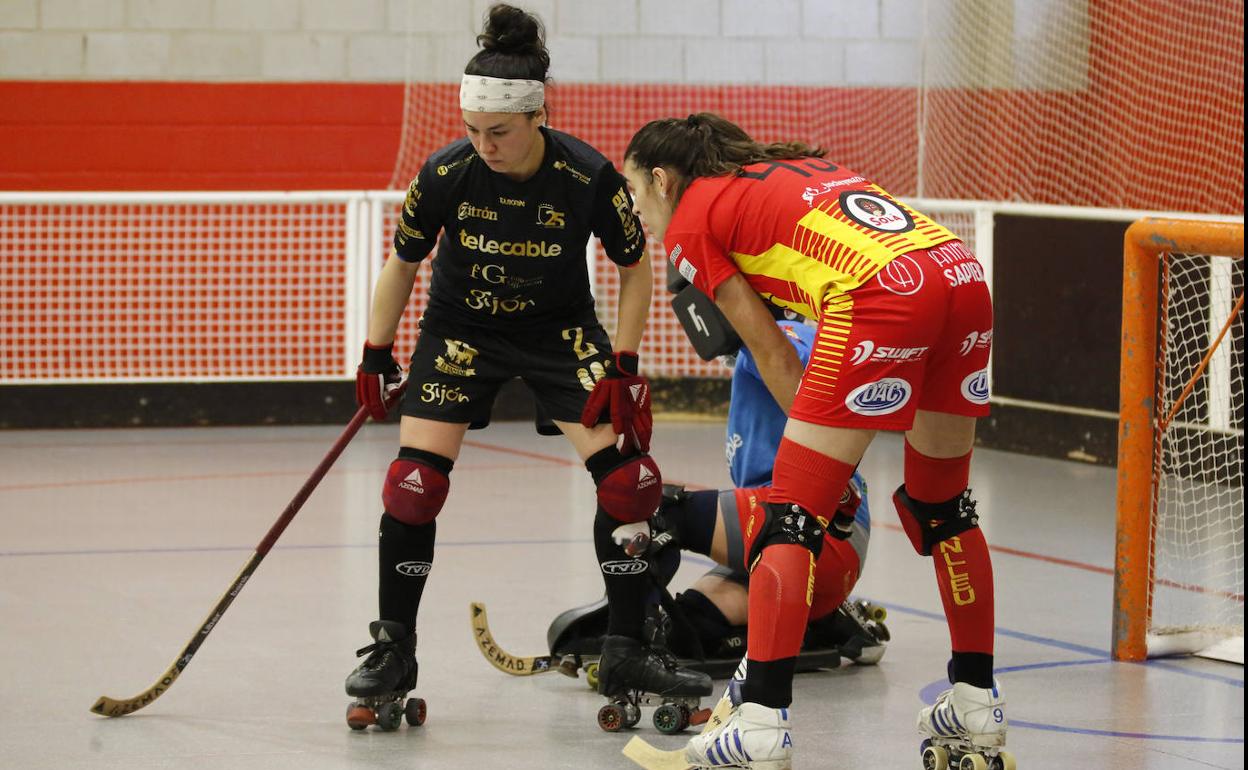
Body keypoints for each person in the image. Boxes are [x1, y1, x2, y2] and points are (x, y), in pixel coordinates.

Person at [342, 4, 710, 730]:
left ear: (538, 115)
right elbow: (402, 263)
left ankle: (629, 645)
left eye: (499, 132)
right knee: (413, 487)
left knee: (630, 485)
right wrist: (375, 353)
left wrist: (625, 365)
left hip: (558, 333)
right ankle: (395, 650)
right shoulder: (447, 172)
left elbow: (636, 269)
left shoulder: (588, 175)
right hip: (462, 331)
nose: (484, 146)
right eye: (473, 131)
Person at [622, 114, 1007, 769]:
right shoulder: (795, 168)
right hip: (961, 277)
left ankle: (760, 721)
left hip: (882, 296)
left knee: (788, 515)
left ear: (661, 179)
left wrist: (818, 476)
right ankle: (975, 698)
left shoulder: (690, 223)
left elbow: (767, 347)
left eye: (634, 193)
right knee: (943, 508)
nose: (637, 212)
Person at [547, 317, 887, 670]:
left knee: (655, 508)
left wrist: (758, 337)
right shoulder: (761, 345)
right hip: (799, 545)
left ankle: (627, 631)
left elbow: (802, 364)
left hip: (816, 530)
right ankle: (822, 623)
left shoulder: (783, 333)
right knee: (690, 626)